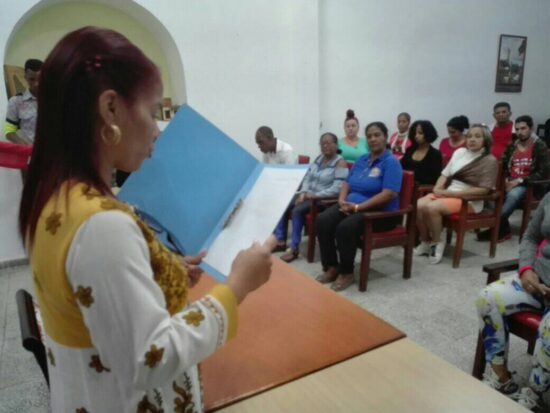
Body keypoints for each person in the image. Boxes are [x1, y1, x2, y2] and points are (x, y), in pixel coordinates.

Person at [19, 27, 274, 412]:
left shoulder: (56, 197)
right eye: (152, 111)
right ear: (110, 109)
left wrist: (163, 267)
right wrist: (238, 285)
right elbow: (149, 358)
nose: (157, 130)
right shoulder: (100, 225)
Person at [476, 195, 550, 411]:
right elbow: (530, 237)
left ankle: (534, 392)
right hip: (537, 281)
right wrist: (526, 270)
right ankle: (499, 375)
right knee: (487, 298)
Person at [316, 122, 402, 291]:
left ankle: (346, 272)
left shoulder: (391, 162)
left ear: (385, 137)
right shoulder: (362, 159)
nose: (372, 139)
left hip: (380, 214)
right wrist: (341, 200)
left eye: (377, 135)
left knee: (345, 227)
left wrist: (358, 208)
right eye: (369, 136)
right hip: (351, 206)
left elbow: (389, 194)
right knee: (323, 220)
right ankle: (332, 267)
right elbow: (347, 184)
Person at [414, 125, 498, 264]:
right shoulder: (459, 152)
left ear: (486, 140)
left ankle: (437, 242)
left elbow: (484, 190)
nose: (472, 139)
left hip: (469, 201)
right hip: (448, 194)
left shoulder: (489, 160)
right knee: (417, 205)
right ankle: (425, 241)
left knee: (432, 208)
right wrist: (437, 188)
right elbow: (444, 174)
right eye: (470, 136)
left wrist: (447, 193)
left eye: (477, 136)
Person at [275, 133, 349, 262]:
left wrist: (313, 195)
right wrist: (304, 192)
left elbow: (338, 189)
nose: (325, 146)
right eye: (322, 143)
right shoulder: (318, 159)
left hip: (323, 200)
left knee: (297, 210)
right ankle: (279, 240)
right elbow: (308, 177)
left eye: (329, 143)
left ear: (336, 145)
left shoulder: (340, 163)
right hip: (309, 196)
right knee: (283, 203)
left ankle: (294, 248)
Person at [478, 115, 549, 242]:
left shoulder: (539, 146)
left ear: (531, 128)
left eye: (523, 128)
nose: (520, 132)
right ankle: (502, 229)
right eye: (517, 129)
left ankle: (495, 226)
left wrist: (519, 181)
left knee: (513, 195)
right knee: (492, 193)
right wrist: (505, 180)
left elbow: (543, 173)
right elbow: (504, 166)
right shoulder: (512, 146)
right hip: (510, 181)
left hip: (530, 186)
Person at [4, 58, 42, 144]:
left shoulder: (54, 100)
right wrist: (23, 145)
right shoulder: (16, 102)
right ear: (25, 78)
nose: (36, 83)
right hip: (29, 154)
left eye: (40, 79)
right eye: (32, 79)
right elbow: (9, 132)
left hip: (52, 154)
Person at [400, 120, 442, 185]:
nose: (416, 136)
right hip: (404, 184)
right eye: (415, 133)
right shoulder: (409, 150)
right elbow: (401, 167)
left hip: (422, 190)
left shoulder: (435, 154)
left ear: (428, 133)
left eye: (420, 133)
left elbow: (435, 178)